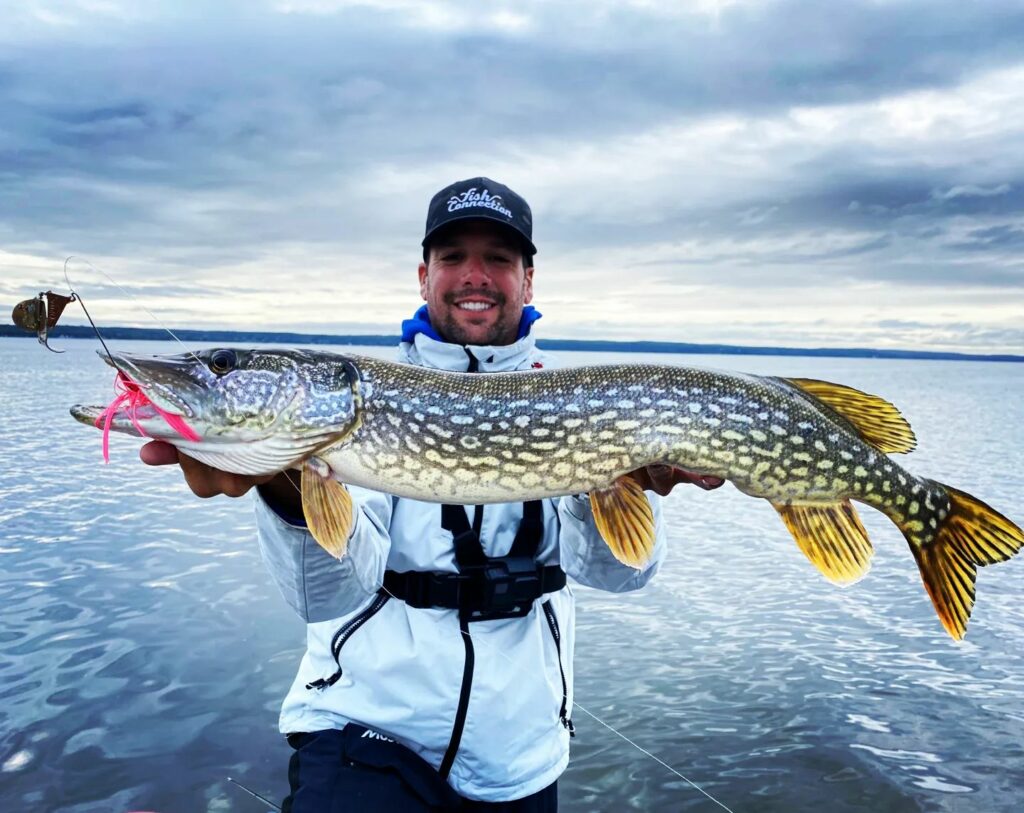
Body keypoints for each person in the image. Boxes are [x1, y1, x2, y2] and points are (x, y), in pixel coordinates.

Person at [141, 177, 723, 811]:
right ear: (424, 276)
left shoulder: (585, 406)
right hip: (364, 735)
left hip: (520, 755)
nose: (475, 275)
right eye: (453, 258)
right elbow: (325, 594)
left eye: (498, 258)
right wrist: (286, 491)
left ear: (528, 281)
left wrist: (617, 475)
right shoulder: (367, 401)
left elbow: (621, 575)